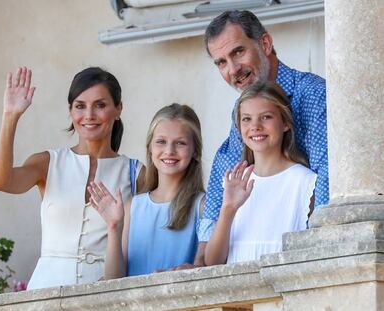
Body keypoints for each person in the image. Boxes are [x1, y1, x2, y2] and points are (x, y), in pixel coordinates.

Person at [0, 66, 144, 290]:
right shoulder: (47, 162)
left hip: (105, 294)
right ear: (70, 111)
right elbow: (1, 181)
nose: (89, 115)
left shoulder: (136, 173)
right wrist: (10, 116)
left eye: (100, 105)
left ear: (118, 108)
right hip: (45, 293)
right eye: (80, 106)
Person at [199, 10, 328, 243]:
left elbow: (326, 179)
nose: (233, 70)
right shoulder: (240, 108)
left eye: (238, 52)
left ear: (265, 44)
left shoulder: (312, 93)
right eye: (221, 63)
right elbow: (226, 168)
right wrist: (203, 251)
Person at [205, 81, 316, 265]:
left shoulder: (304, 183)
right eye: (246, 119)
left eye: (266, 117)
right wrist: (228, 209)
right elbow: (213, 261)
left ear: (285, 123)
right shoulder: (234, 182)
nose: (255, 126)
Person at [88, 103, 205, 278]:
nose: (169, 151)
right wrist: (114, 226)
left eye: (180, 143)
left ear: (195, 150)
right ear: (150, 148)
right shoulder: (132, 207)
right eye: (161, 142)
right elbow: (113, 281)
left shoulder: (202, 205)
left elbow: (206, 266)